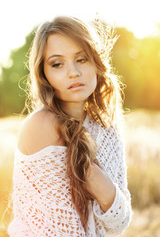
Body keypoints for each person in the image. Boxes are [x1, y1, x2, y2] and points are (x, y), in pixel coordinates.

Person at [8, 16, 132, 236]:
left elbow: (120, 223)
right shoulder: (41, 126)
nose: (73, 72)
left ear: (96, 61)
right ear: (44, 74)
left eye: (81, 59)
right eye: (57, 64)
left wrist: (104, 189)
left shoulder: (106, 126)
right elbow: (63, 230)